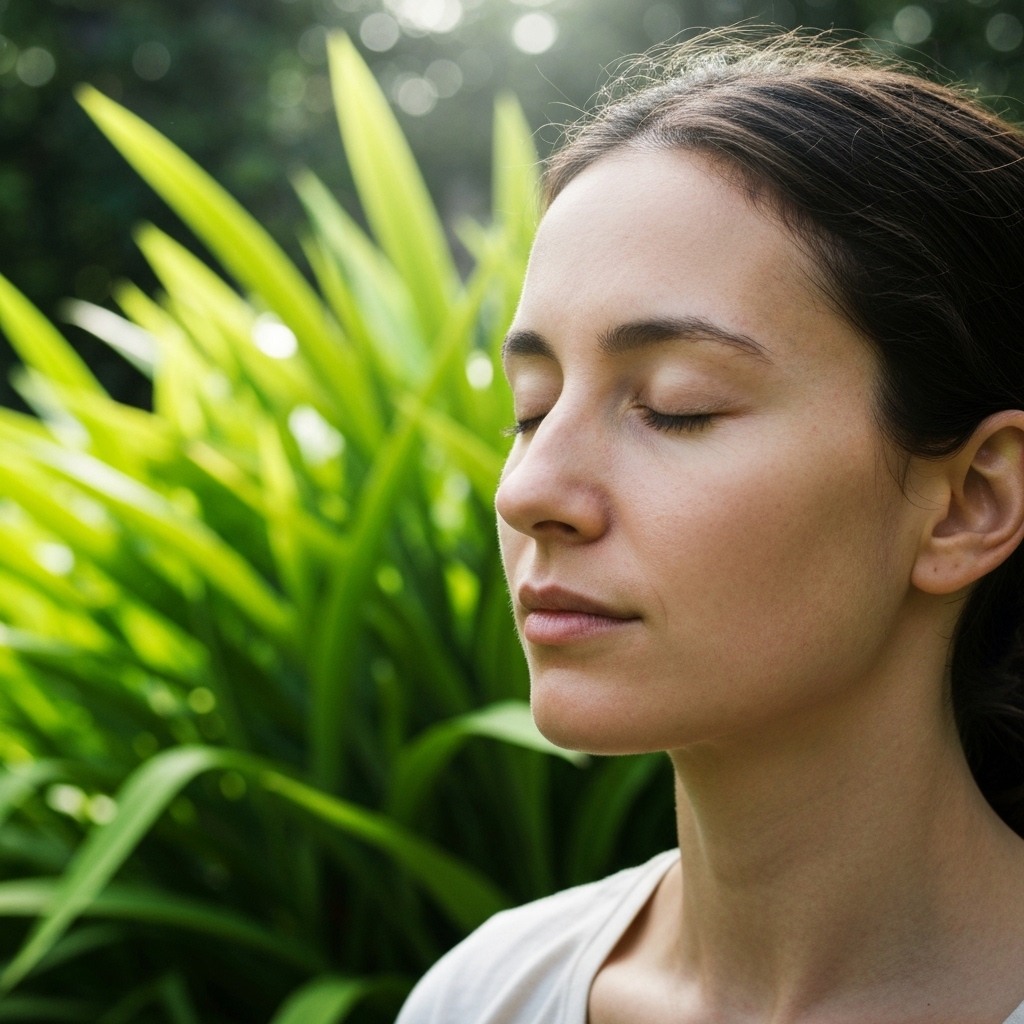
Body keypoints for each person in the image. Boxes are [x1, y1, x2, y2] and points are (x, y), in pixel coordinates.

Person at [396, 30, 1024, 1024]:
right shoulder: (485, 995)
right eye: (529, 407)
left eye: (675, 405)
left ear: (968, 500)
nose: (529, 491)